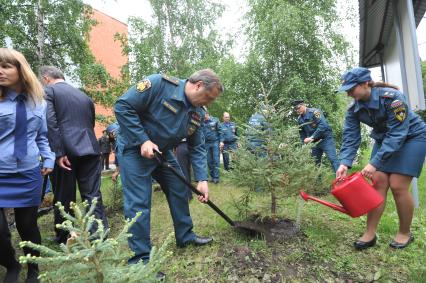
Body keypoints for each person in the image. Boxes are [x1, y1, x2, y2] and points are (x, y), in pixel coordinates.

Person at [115, 69, 223, 265]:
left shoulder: (198, 112)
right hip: (134, 149)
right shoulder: (159, 84)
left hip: (162, 152)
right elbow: (123, 106)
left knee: (179, 188)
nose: (208, 103)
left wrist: (202, 179)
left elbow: (197, 147)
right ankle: (140, 260)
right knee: (139, 203)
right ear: (198, 85)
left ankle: (185, 236)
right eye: (208, 97)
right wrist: (143, 140)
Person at [336, 67, 426, 250]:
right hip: (385, 139)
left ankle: (404, 233)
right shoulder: (354, 109)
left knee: (398, 185)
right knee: (378, 181)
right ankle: (370, 233)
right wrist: (344, 162)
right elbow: (351, 137)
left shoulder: (392, 99)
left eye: (352, 89)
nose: (349, 94)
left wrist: (374, 163)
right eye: (347, 90)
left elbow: (398, 133)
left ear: (365, 84)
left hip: (412, 138)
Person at [0, 48, 55, 283]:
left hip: (29, 172)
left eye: (5, 66)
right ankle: (11, 265)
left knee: (27, 225)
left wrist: (49, 157)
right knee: (0, 232)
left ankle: (33, 269)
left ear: (21, 69)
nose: (0, 71)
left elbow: (41, 135)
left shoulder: (38, 102)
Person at [39, 66, 108, 244]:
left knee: (64, 196)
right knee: (92, 194)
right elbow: (90, 122)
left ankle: (65, 236)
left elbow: (50, 122)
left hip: (65, 152)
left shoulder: (48, 92)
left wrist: (58, 152)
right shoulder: (83, 95)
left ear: (46, 78)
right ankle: (98, 234)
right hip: (90, 148)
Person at [292, 100, 339, 172]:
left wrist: (312, 137)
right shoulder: (299, 119)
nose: (297, 110)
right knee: (315, 164)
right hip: (314, 143)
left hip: (325, 139)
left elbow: (323, 125)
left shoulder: (315, 112)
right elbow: (302, 133)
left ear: (304, 105)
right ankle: (318, 183)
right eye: (295, 109)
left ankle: (342, 180)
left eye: (299, 108)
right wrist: (304, 144)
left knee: (332, 159)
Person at [201, 111, 223, 183]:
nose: (204, 117)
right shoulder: (201, 122)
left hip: (215, 142)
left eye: (204, 116)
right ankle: (212, 176)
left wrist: (221, 141)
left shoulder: (215, 120)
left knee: (216, 160)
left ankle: (216, 177)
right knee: (209, 161)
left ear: (207, 114)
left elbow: (220, 131)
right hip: (206, 143)